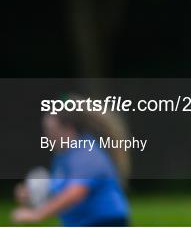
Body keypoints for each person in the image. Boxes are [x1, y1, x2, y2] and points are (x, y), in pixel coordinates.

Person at [11, 97, 130, 226]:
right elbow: (60, 192)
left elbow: (75, 193)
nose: (47, 135)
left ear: (68, 128)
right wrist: (32, 194)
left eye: (51, 130)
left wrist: (37, 214)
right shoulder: (63, 156)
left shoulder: (86, 153)